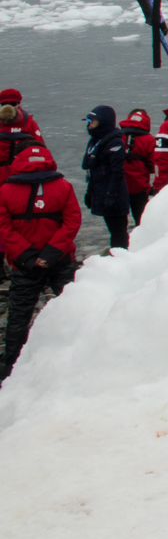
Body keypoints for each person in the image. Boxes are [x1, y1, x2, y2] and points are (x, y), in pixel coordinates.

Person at [0, 143, 80, 382]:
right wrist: (50, 255)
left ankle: (10, 367)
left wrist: (28, 256)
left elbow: (4, 228)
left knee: (19, 315)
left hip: (25, 264)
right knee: (74, 308)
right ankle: (80, 353)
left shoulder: (5, 190)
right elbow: (72, 221)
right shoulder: (63, 186)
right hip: (61, 260)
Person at [80, 106, 130, 251]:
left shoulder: (115, 143)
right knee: (113, 228)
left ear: (103, 122)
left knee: (118, 230)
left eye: (92, 121)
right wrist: (90, 192)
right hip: (101, 190)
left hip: (113, 194)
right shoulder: (95, 141)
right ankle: (116, 255)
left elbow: (117, 172)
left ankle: (120, 258)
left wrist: (112, 195)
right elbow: (92, 170)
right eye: (88, 121)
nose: (89, 124)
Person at [118, 109, 156, 225]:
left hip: (118, 185)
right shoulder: (149, 140)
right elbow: (154, 165)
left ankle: (122, 241)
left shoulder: (117, 137)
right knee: (142, 220)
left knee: (119, 224)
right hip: (139, 186)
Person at [0, 89, 45, 182]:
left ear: (18, 103)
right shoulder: (29, 122)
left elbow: (40, 149)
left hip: (22, 173)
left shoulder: (30, 123)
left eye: (12, 103)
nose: (9, 107)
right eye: (4, 104)